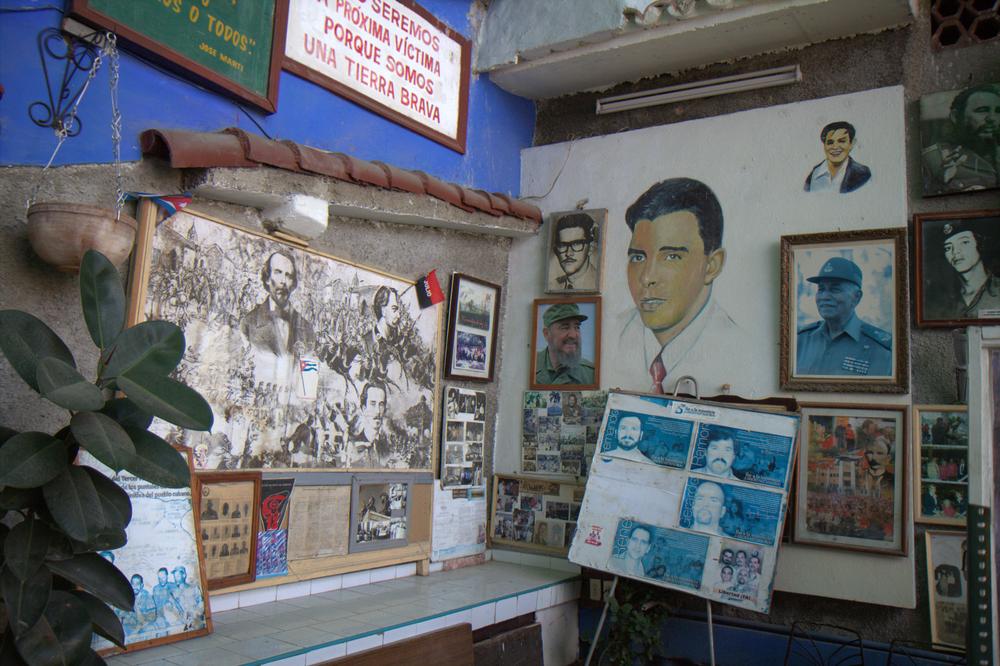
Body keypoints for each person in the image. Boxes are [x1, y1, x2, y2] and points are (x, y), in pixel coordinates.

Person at [617, 178, 755, 393]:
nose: (647, 277)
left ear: (712, 266)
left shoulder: (744, 355)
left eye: (671, 256)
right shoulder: (612, 336)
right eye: (638, 257)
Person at [795, 257, 892, 377]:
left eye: (835, 290)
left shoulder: (882, 349)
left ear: (856, 297)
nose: (824, 296)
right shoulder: (801, 340)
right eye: (821, 289)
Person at [922, 83, 1000, 195]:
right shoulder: (933, 159)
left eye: (998, 111)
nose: (992, 118)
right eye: (982, 110)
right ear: (955, 116)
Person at [239, 250, 316, 357]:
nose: (283, 281)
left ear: (293, 284)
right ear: (267, 278)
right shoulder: (248, 323)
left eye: (288, 275)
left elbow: (309, 366)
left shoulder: (307, 328)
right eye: (278, 272)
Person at [937, 222, 1000, 319]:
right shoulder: (943, 299)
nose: (955, 252)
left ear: (980, 244)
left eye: (964, 242)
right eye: (948, 248)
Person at [534, 302, 596, 385]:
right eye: (565, 327)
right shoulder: (530, 366)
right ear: (546, 334)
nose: (573, 335)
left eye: (577, 327)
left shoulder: (590, 374)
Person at [803, 121, 872, 193]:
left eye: (841, 141)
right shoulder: (814, 174)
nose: (835, 147)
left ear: (851, 144)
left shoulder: (863, 174)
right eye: (830, 142)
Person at [548, 212, 599, 291]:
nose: (568, 253)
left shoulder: (599, 282)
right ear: (556, 251)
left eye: (576, 244)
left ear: (590, 248)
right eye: (562, 245)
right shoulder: (553, 286)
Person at [347, 382, 390, 467]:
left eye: (381, 405)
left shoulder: (388, 448)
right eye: (373, 404)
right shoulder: (353, 446)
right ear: (364, 408)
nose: (377, 411)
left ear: (385, 409)